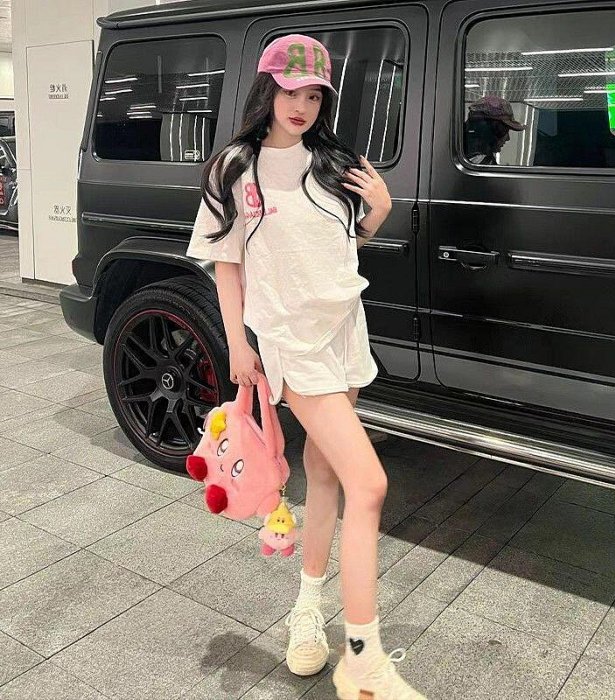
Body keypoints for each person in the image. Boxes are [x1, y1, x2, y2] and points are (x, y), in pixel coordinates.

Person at [186, 33, 427, 700]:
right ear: (267, 90)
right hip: (291, 342)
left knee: (325, 472)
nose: (301, 106)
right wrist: (238, 344)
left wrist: (378, 212)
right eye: (290, 91)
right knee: (368, 484)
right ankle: (363, 661)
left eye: (315, 95)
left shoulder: (333, 163)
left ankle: (306, 608)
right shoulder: (235, 167)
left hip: (344, 331)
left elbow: (341, 244)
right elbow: (227, 263)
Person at [464, 94, 526, 164]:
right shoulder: (477, 163)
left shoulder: (466, 159)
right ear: (485, 129)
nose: (508, 138)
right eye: (503, 130)